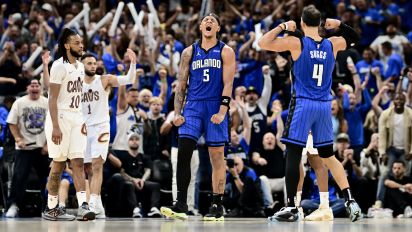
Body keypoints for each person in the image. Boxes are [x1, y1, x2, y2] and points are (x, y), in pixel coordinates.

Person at [258, 5, 362, 222]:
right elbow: (355, 39)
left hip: (304, 103)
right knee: (329, 156)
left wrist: (283, 26)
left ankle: (290, 207)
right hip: (324, 104)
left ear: (303, 23)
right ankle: (350, 200)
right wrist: (340, 25)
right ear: (321, 23)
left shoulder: (297, 42)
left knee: (294, 153)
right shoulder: (332, 43)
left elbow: (263, 42)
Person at [160, 13, 235, 221]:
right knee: (183, 152)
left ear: (218, 28)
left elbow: (228, 84)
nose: (209, 22)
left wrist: (222, 110)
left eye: (213, 21)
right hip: (192, 106)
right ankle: (181, 204)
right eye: (205, 20)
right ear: (200, 27)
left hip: (214, 105)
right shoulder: (188, 52)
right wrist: (177, 113)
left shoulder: (226, 51)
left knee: (217, 157)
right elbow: (181, 85)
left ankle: (217, 205)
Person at [42, 28, 94, 221]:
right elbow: (52, 99)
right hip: (60, 117)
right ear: (66, 45)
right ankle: (52, 207)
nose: (81, 46)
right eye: (77, 43)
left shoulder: (80, 66)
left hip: (76, 117)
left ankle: (83, 205)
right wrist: (55, 125)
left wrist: (82, 119)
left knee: (79, 162)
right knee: (58, 163)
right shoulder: (58, 66)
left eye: (81, 43)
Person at [5, 79, 49, 218]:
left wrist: (48, 144)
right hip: (24, 149)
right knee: (19, 178)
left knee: (47, 179)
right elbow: (12, 123)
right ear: (27, 88)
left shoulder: (47, 102)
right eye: (32, 85)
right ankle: (13, 205)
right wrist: (18, 138)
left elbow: (54, 124)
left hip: (42, 148)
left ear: (41, 88)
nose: (35, 87)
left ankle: (48, 206)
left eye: (37, 85)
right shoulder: (19, 102)